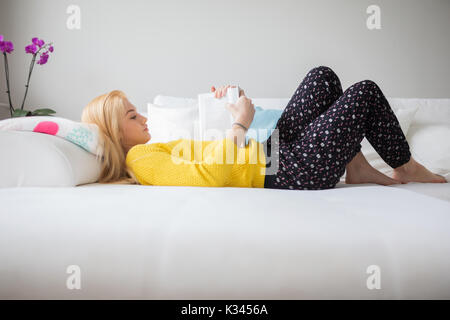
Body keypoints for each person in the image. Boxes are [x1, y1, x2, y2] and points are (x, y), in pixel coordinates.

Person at [81, 66, 446, 188]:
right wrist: (240, 121)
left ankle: (358, 167)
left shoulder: (151, 150)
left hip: (272, 154)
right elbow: (212, 175)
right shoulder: (141, 159)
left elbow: (216, 158)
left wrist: (233, 113)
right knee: (363, 93)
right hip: (285, 170)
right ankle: (405, 165)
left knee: (322, 77)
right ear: (114, 133)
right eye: (132, 116)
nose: (143, 118)